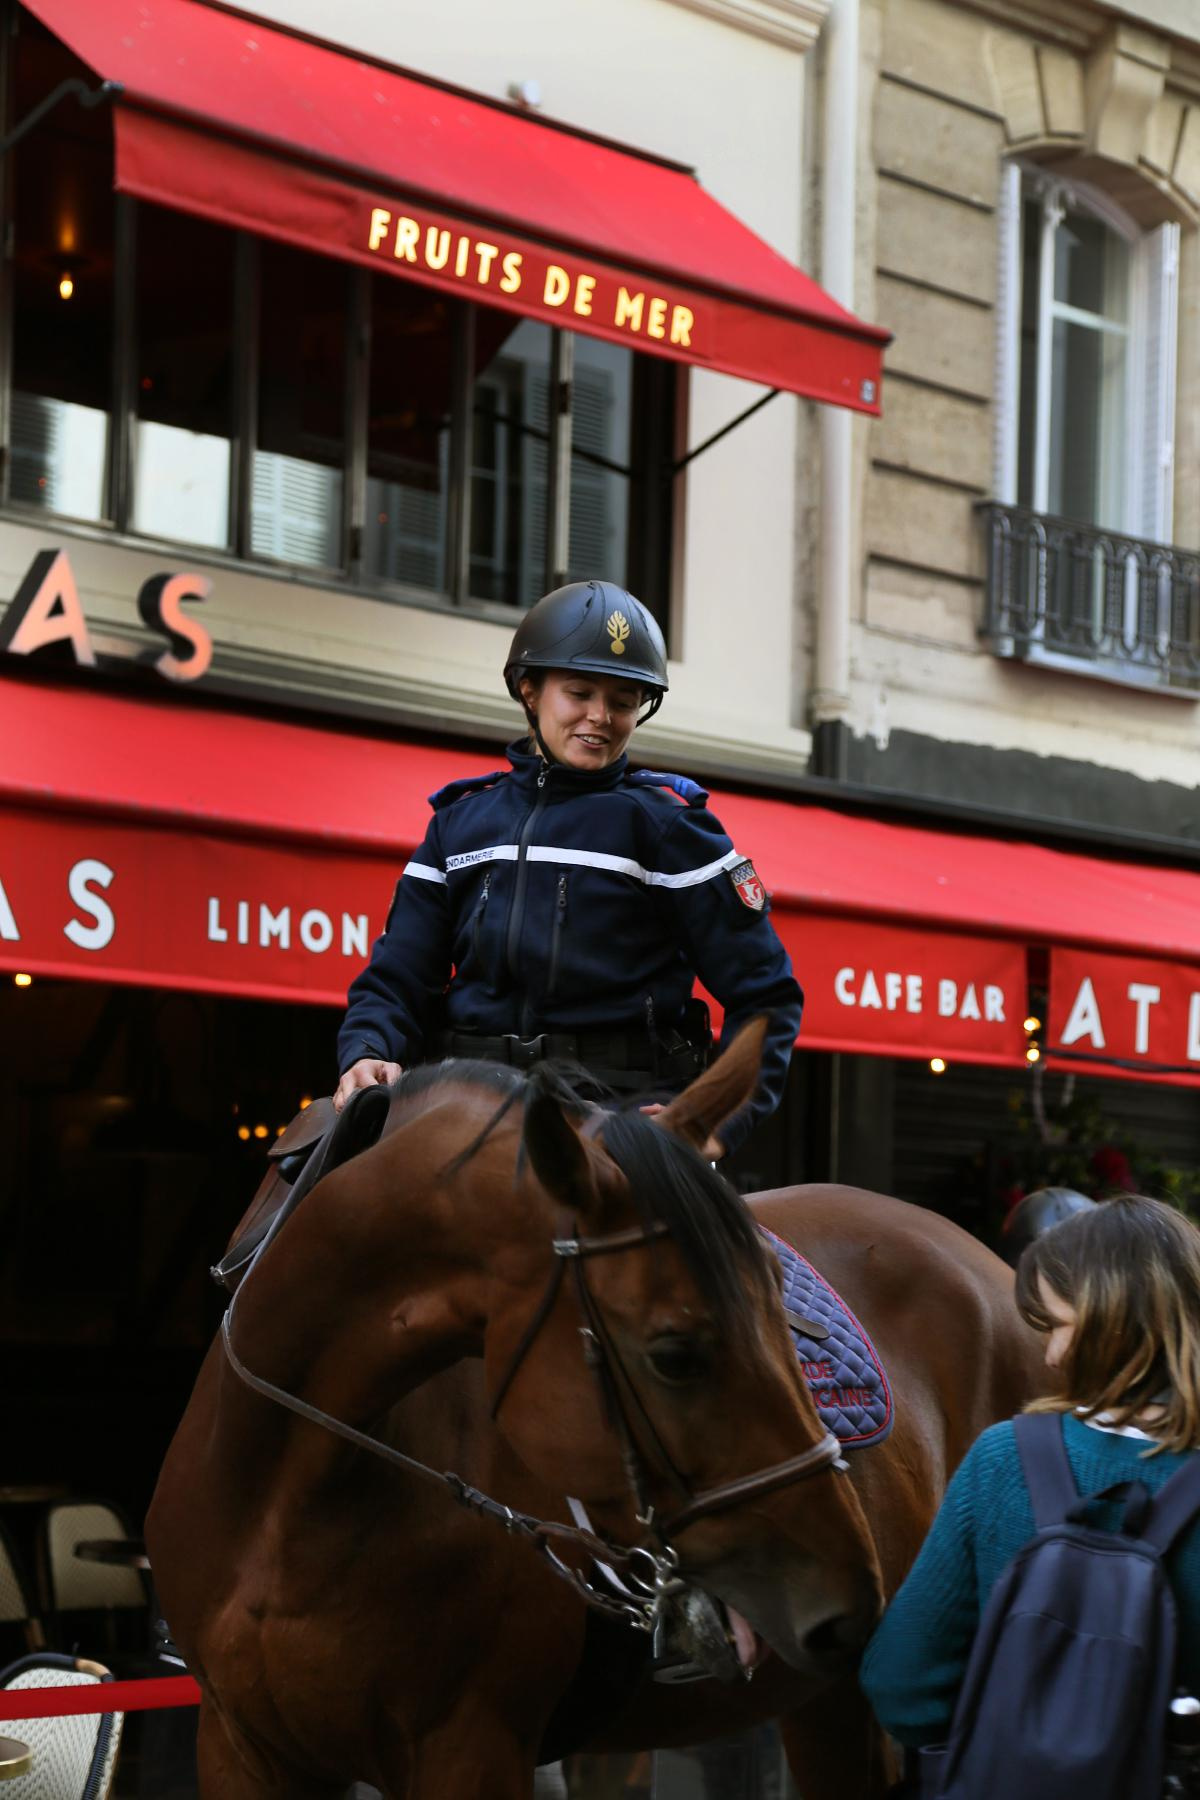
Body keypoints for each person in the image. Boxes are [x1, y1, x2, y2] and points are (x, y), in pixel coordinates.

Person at [333, 579, 803, 1160]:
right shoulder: (457, 825)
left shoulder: (672, 829)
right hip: (458, 1110)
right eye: (579, 692)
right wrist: (368, 1049)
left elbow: (768, 998)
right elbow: (398, 977)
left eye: (624, 701)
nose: (601, 717)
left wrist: (711, 1121)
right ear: (529, 690)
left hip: (621, 1129)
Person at [860, 1193, 1200, 1762]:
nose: (1050, 1356)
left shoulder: (1005, 1461)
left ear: (1116, 1326)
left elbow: (902, 1682)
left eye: (1058, 1326)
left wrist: (1010, 1744)